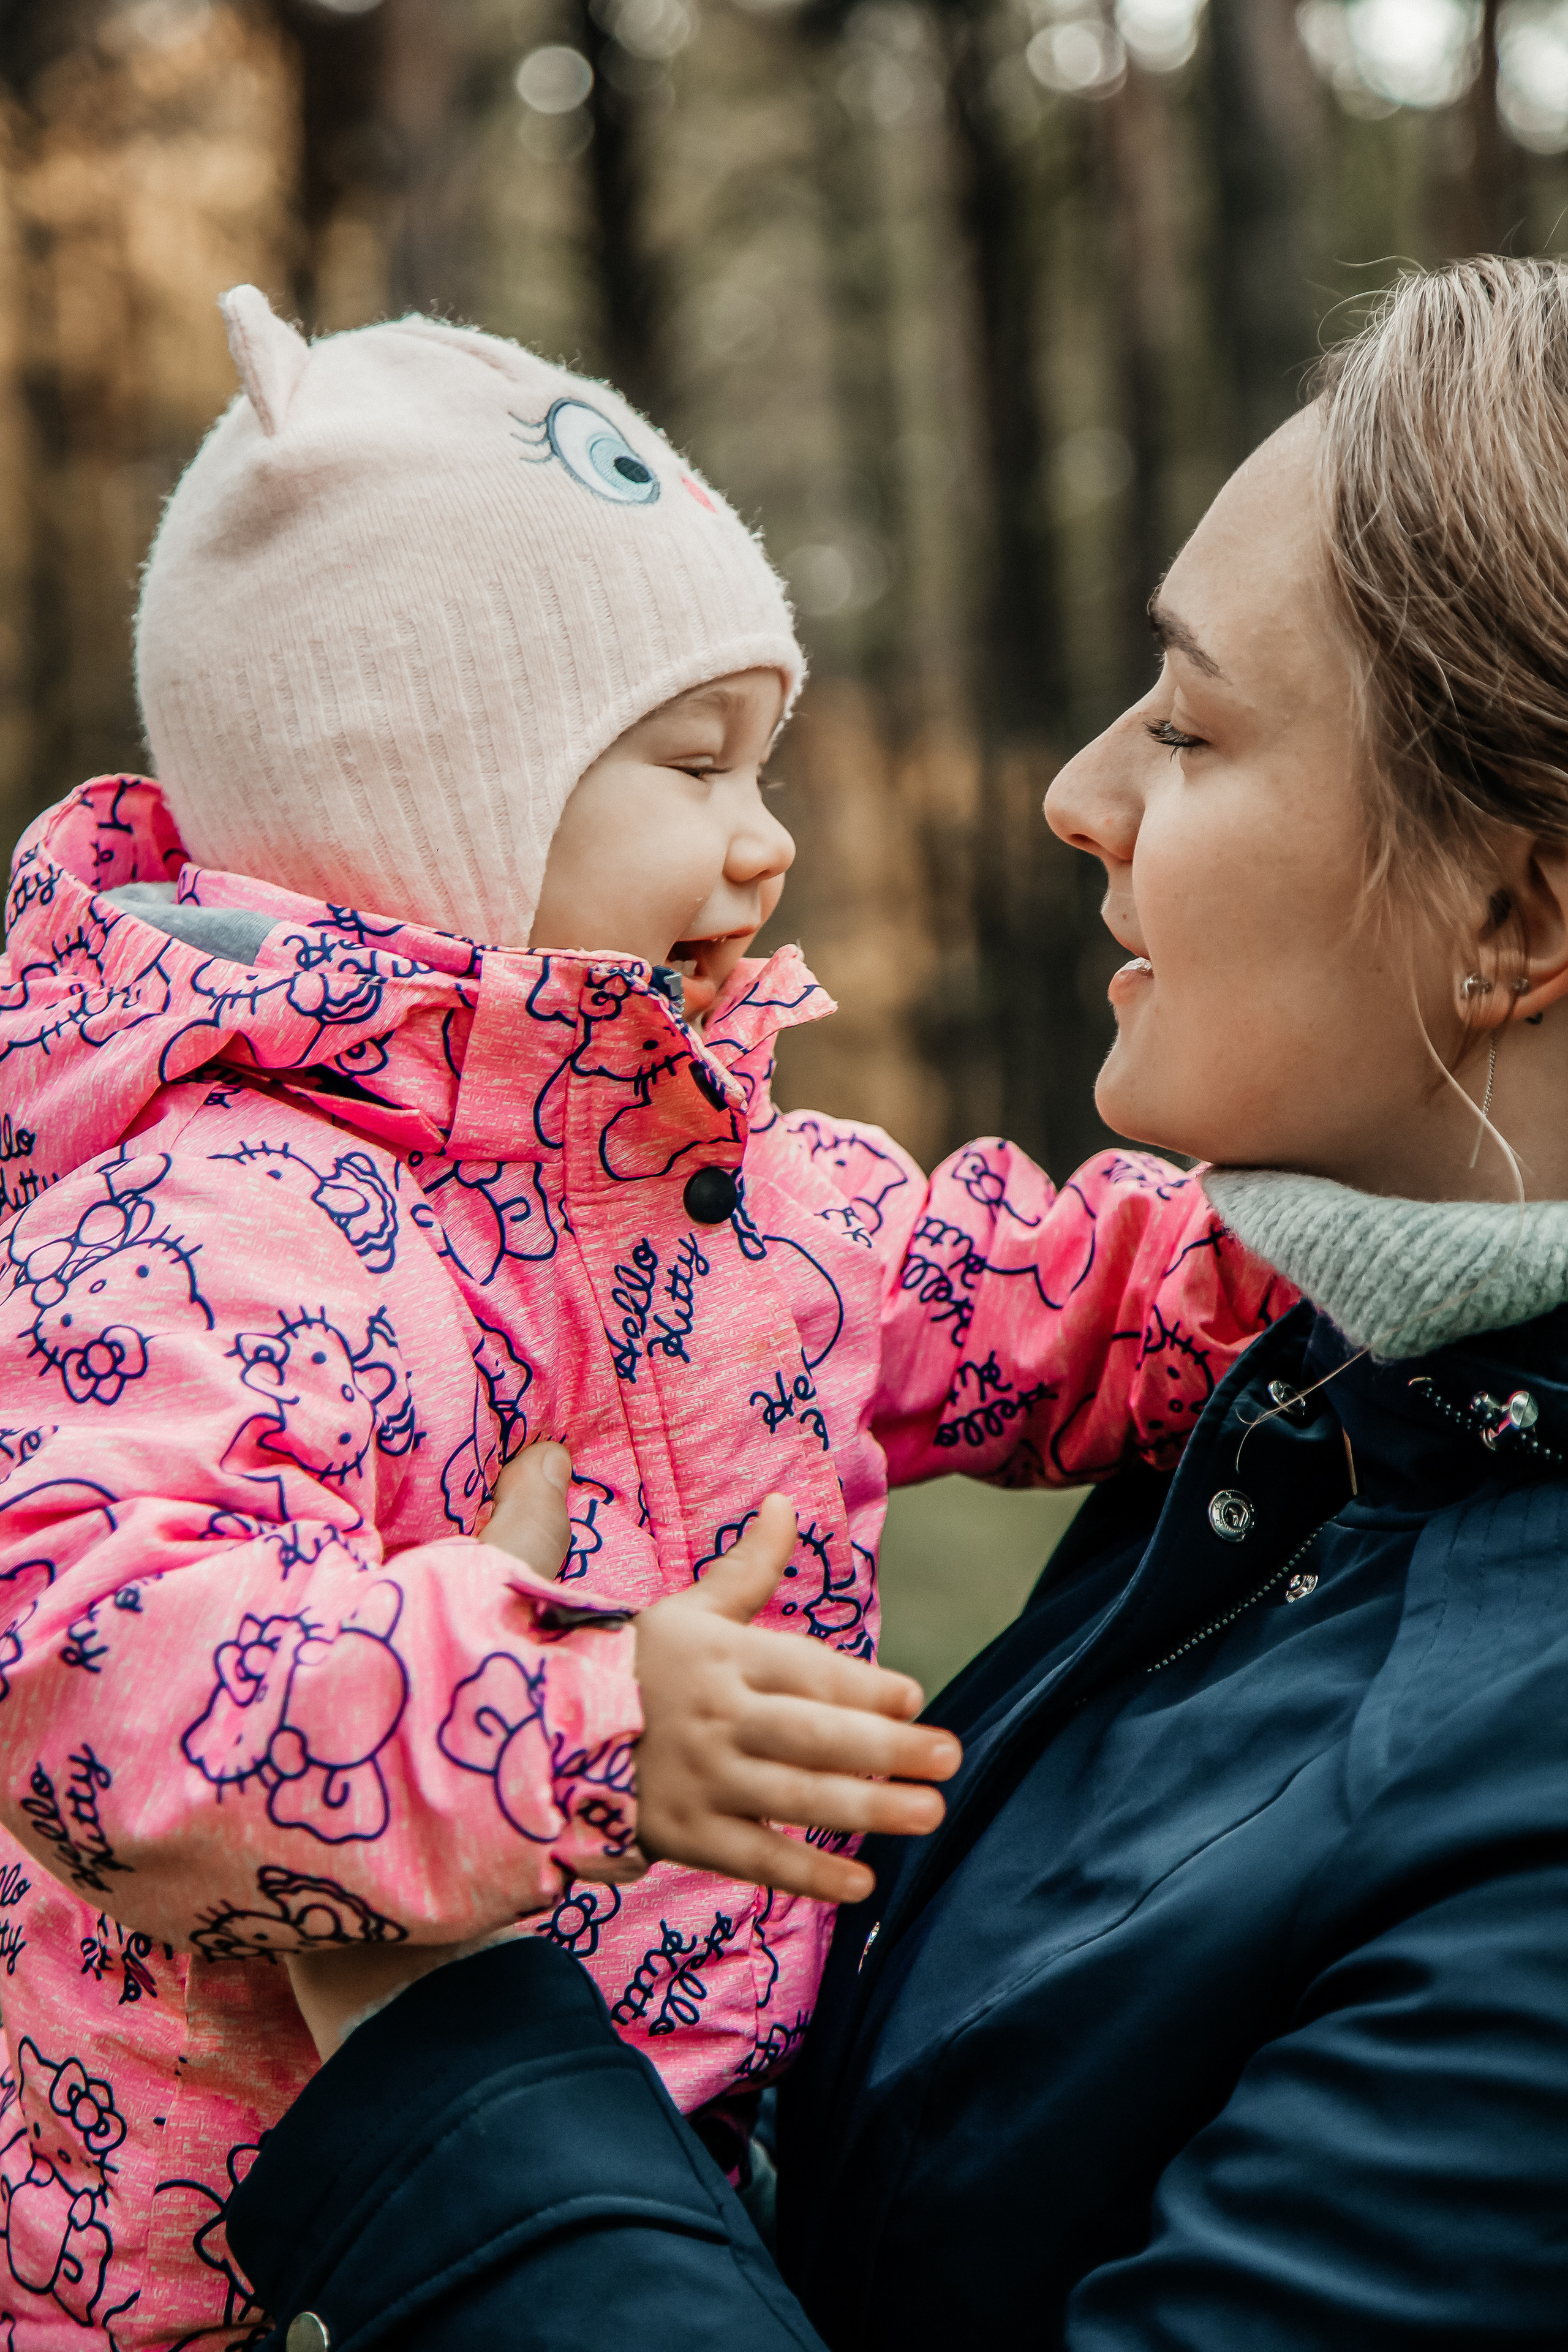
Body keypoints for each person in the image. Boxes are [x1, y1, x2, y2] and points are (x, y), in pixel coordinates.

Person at [0, 288, 1280, 2347]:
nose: (767, 842)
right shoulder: (203, 1228)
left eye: (761, 762)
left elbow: (1052, 1301)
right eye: (695, 765)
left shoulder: (733, 1192)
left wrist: (1324, 1250)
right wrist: (572, 1718)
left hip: (659, 2182)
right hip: (246, 2269)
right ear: (417, 799)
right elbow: (91, 1667)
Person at [774, 255, 1568, 2349]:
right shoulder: (1312, 1398)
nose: (1078, 792)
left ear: (1512, 913)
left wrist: (441, 2013)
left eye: (1192, 725)